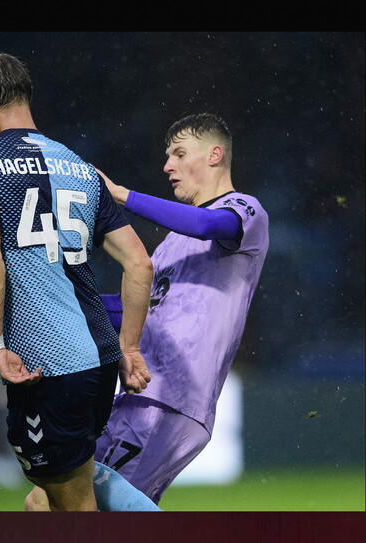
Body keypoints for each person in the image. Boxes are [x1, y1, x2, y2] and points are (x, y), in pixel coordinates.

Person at [26, 112, 269, 509]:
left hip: (173, 400)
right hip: (137, 394)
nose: (167, 165)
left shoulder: (245, 210)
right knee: (45, 502)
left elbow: (207, 225)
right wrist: (54, 299)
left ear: (215, 155)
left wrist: (120, 195)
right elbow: (138, 313)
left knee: (100, 509)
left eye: (179, 154)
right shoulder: (171, 244)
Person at [0, 53, 157, 512]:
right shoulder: (80, 166)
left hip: (49, 365)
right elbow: (140, 264)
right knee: (45, 499)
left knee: (74, 505)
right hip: (101, 358)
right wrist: (129, 347)